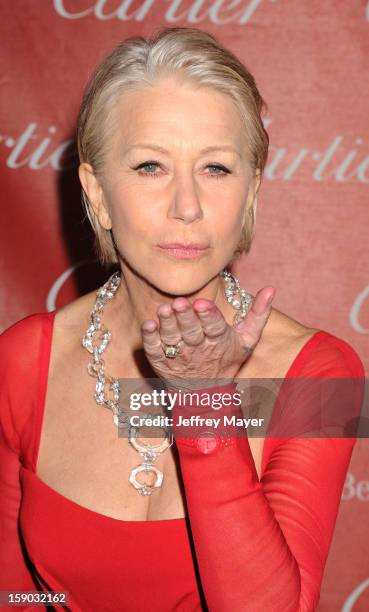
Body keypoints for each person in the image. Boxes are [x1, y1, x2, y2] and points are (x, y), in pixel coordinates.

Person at [0, 26, 365, 612]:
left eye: (216, 169)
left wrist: (205, 404)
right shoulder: (21, 362)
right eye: (150, 167)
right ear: (96, 193)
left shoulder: (320, 373)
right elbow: (12, 593)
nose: (187, 207)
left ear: (250, 193)